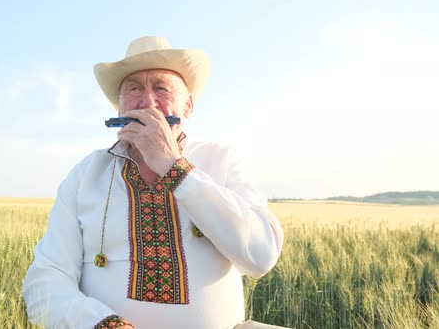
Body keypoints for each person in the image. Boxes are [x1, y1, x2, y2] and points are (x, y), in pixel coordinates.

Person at [22, 36, 285, 329]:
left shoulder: (221, 159)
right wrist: (102, 325)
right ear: (120, 109)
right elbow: (46, 278)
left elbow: (261, 257)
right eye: (133, 89)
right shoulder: (86, 174)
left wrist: (173, 166)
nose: (147, 101)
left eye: (161, 88)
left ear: (187, 107)